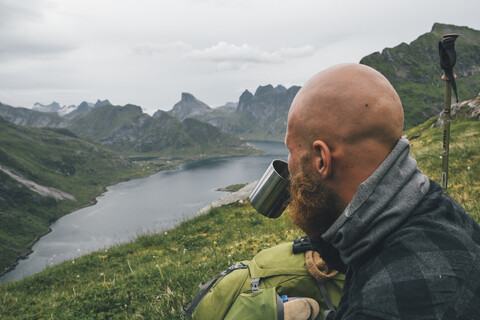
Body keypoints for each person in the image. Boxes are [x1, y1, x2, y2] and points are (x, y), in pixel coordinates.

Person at [285, 63, 480, 319]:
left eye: (291, 149)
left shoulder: (380, 306)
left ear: (322, 159)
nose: (289, 166)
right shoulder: (436, 208)